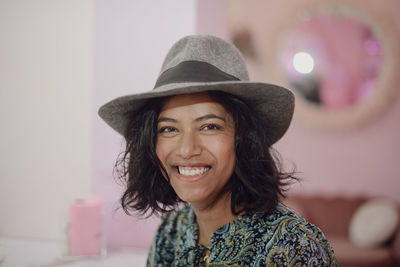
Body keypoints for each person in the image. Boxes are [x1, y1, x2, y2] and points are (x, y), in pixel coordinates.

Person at [98, 35, 337, 266]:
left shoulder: (294, 246)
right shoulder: (171, 231)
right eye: (169, 129)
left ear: (244, 139)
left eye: (209, 126)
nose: (187, 148)